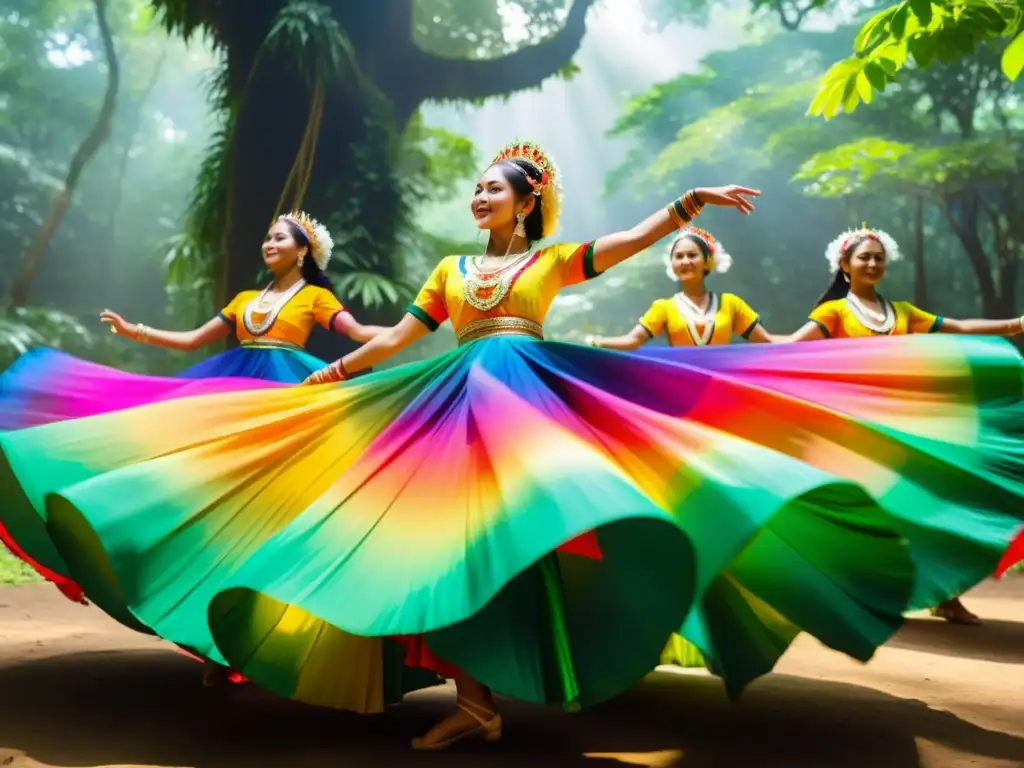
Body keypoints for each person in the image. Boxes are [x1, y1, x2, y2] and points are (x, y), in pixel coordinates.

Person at [2, 142, 1022, 753]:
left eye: (496, 187)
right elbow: (401, 338)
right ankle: (476, 704)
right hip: (447, 403)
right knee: (441, 539)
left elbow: (617, 249)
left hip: (529, 400)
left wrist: (686, 208)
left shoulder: (548, 260)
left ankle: (541, 669)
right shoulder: (451, 267)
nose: (480, 197)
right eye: (480, 188)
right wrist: (326, 377)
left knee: (535, 537)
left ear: (526, 200)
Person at [0, 211, 385, 684]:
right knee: (212, 508)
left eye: (279, 238)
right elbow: (192, 341)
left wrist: (404, 333)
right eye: (266, 236)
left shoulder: (316, 296)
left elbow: (356, 333)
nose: (268, 243)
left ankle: (275, 634)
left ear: (302, 250)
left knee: (267, 515)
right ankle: (214, 643)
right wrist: (136, 330)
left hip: (286, 402)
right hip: (229, 398)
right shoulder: (246, 298)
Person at [777, 225, 1024, 625]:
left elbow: (958, 328)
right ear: (844, 266)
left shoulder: (904, 313)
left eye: (878, 258)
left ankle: (945, 594)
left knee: (938, 507)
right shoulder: (833, 313)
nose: (872, 264)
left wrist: (1016, 323)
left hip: (909, 426)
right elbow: (790, 350)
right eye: (864, 258)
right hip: (854, 429)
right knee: (866, 514)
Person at [582, 227, 770, 350]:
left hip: (724, 393)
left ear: (707, 261)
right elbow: (633, 340)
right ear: (671, 263)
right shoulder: (663, 308)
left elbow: (769, 343)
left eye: (692, 255)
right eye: (678, 256)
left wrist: (801, 335)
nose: (685, 261)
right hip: (682, 396)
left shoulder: (730, 304)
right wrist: (595, 342)